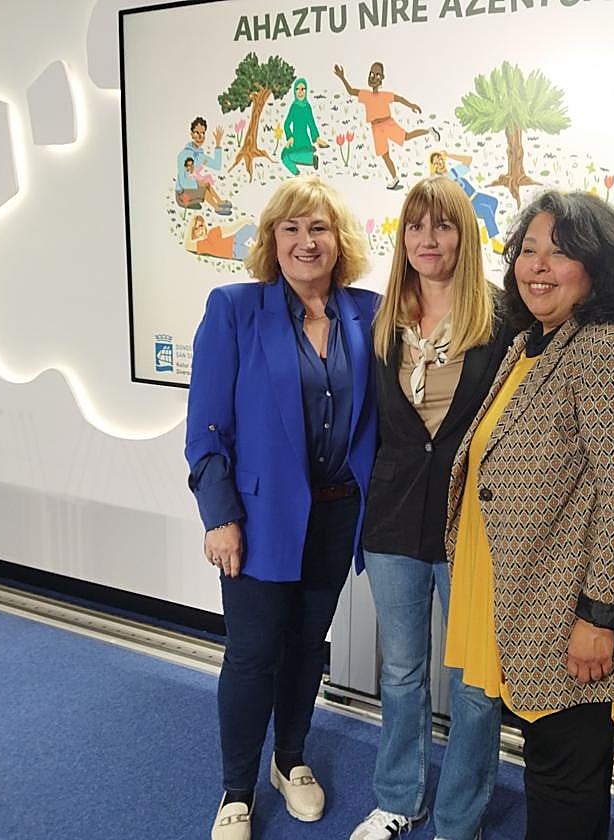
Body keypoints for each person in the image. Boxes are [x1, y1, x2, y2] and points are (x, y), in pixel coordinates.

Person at [444, 190, 614, 840]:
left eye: (561, 252)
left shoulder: (613, 350)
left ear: (599, 267)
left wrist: (599, 618)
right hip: (525, 599)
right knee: (553, 766)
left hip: (572, 609)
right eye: (529, 250)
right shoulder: (533, 344)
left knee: (562, 778)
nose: (537, 266)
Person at [185, 175, 380, 840]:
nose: (305, 241)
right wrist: (220, 517)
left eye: (318, 227)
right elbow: (207, 428)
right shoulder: (235, 309)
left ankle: (289, 759)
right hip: (258, 520)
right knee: (252, 654)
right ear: (271, 239)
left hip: (336, 515)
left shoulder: (368, 313)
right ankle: (237, 790)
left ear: (338, 239)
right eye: (290, 228)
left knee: (305, 648)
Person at [350, 177, 510, 840]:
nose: (428, 239)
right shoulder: (382, 318)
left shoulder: (502, 317)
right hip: (393, 518)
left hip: (472, 523)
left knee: (475, 684)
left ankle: (458, 820)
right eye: (415, 226)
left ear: (464, 235)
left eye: (442, 226)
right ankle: (397, 800)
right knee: (401, 671)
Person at [333, 61, 440, 190]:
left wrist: (411, 105)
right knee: (385, 155)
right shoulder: (366, 95)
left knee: (406, 136)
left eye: (377, 75)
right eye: (371, 74)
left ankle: (429, 131)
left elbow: (399, 99)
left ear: (382, 78)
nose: (373, 77)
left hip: (387, 123)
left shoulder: (384, 95)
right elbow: (351, 91)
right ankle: (395, 178)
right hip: (376, 128)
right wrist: (342, 77)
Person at [429, 150, 504, 253]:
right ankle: (495, 243)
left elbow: (468, 160)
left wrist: (449, 155)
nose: (440, 164)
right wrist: (432, 171)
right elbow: (431, 187)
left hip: (476, 196)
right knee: (487, 211)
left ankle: (487, 228)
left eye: (440, 160)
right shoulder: (441, 182)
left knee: (493, 202)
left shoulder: (453, 172)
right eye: (436, 163)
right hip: (468, 203)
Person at [177, 116, 231, 214]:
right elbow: (183, 181)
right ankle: (217, 208)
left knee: (207, 183)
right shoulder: (183, 155)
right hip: (182, 193)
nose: (200, 137)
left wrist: (218, 144)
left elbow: (217, 165)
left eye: (202, 133)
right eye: (196, 133)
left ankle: (219, 202)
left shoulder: (200, 155)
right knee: (203, 188)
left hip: (193, 188)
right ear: (191, 134)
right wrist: (198, 183)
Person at [281, 77, 330, 175]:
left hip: (304, 139)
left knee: (289, 156)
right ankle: (302, 168)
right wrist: (290, 136)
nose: (300, 92)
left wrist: (316, 138)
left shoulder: (307, 107)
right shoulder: (294, 107)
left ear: (306, 91)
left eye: (303, 89)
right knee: (284, 156)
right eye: (297, 89)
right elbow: (286, 124)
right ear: (294, 91)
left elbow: (311, 124)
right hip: (294, 139)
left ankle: (310, 160)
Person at [183, 214, 258, 261]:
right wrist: (191, 226)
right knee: (257, 254)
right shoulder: (202, 244)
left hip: (234, 239)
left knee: (251, 227)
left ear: (204, 224)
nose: (200, 230)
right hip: (233, 251)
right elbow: (187, 245)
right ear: (192, 231)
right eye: (196, 229)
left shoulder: (213, 231)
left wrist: (243, 221)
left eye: (201, 225)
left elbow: (230, 228)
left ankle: (261, 240)